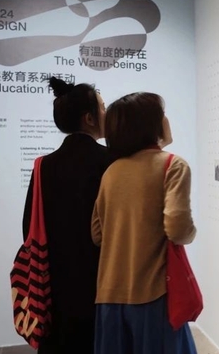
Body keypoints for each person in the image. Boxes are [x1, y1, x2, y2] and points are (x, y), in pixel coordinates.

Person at [91, 92, 198, 354]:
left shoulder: (111, 171)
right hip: (153, 294)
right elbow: (178, 228)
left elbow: (97, 234)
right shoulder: (173, 165)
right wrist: (191, 233)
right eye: (162, 115)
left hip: (109, 295)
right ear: (151, 124)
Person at [22, 77, 112, 354]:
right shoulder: (111, 161)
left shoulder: (43, 166)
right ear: (89, 119)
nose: (106, 113)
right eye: (102, 107)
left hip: (54, 284)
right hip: (101, 280)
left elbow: (29, 226)